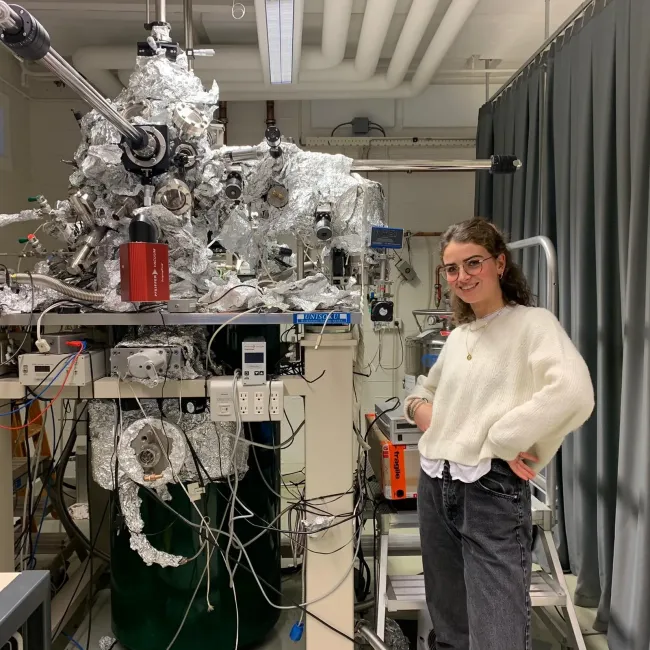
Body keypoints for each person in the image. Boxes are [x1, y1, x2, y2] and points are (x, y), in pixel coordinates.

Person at [403, 217, 594, 650]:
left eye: (474, 263)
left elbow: (574, 393)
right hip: (435, 483)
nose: (462, 277)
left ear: (500, 264)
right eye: (452, 269)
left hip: (488, 489)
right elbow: (423, 390)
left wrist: (504, 439)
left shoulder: (532, 324)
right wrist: (423, 411)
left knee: (497, 637)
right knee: (450, 628)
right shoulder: (459, 337)